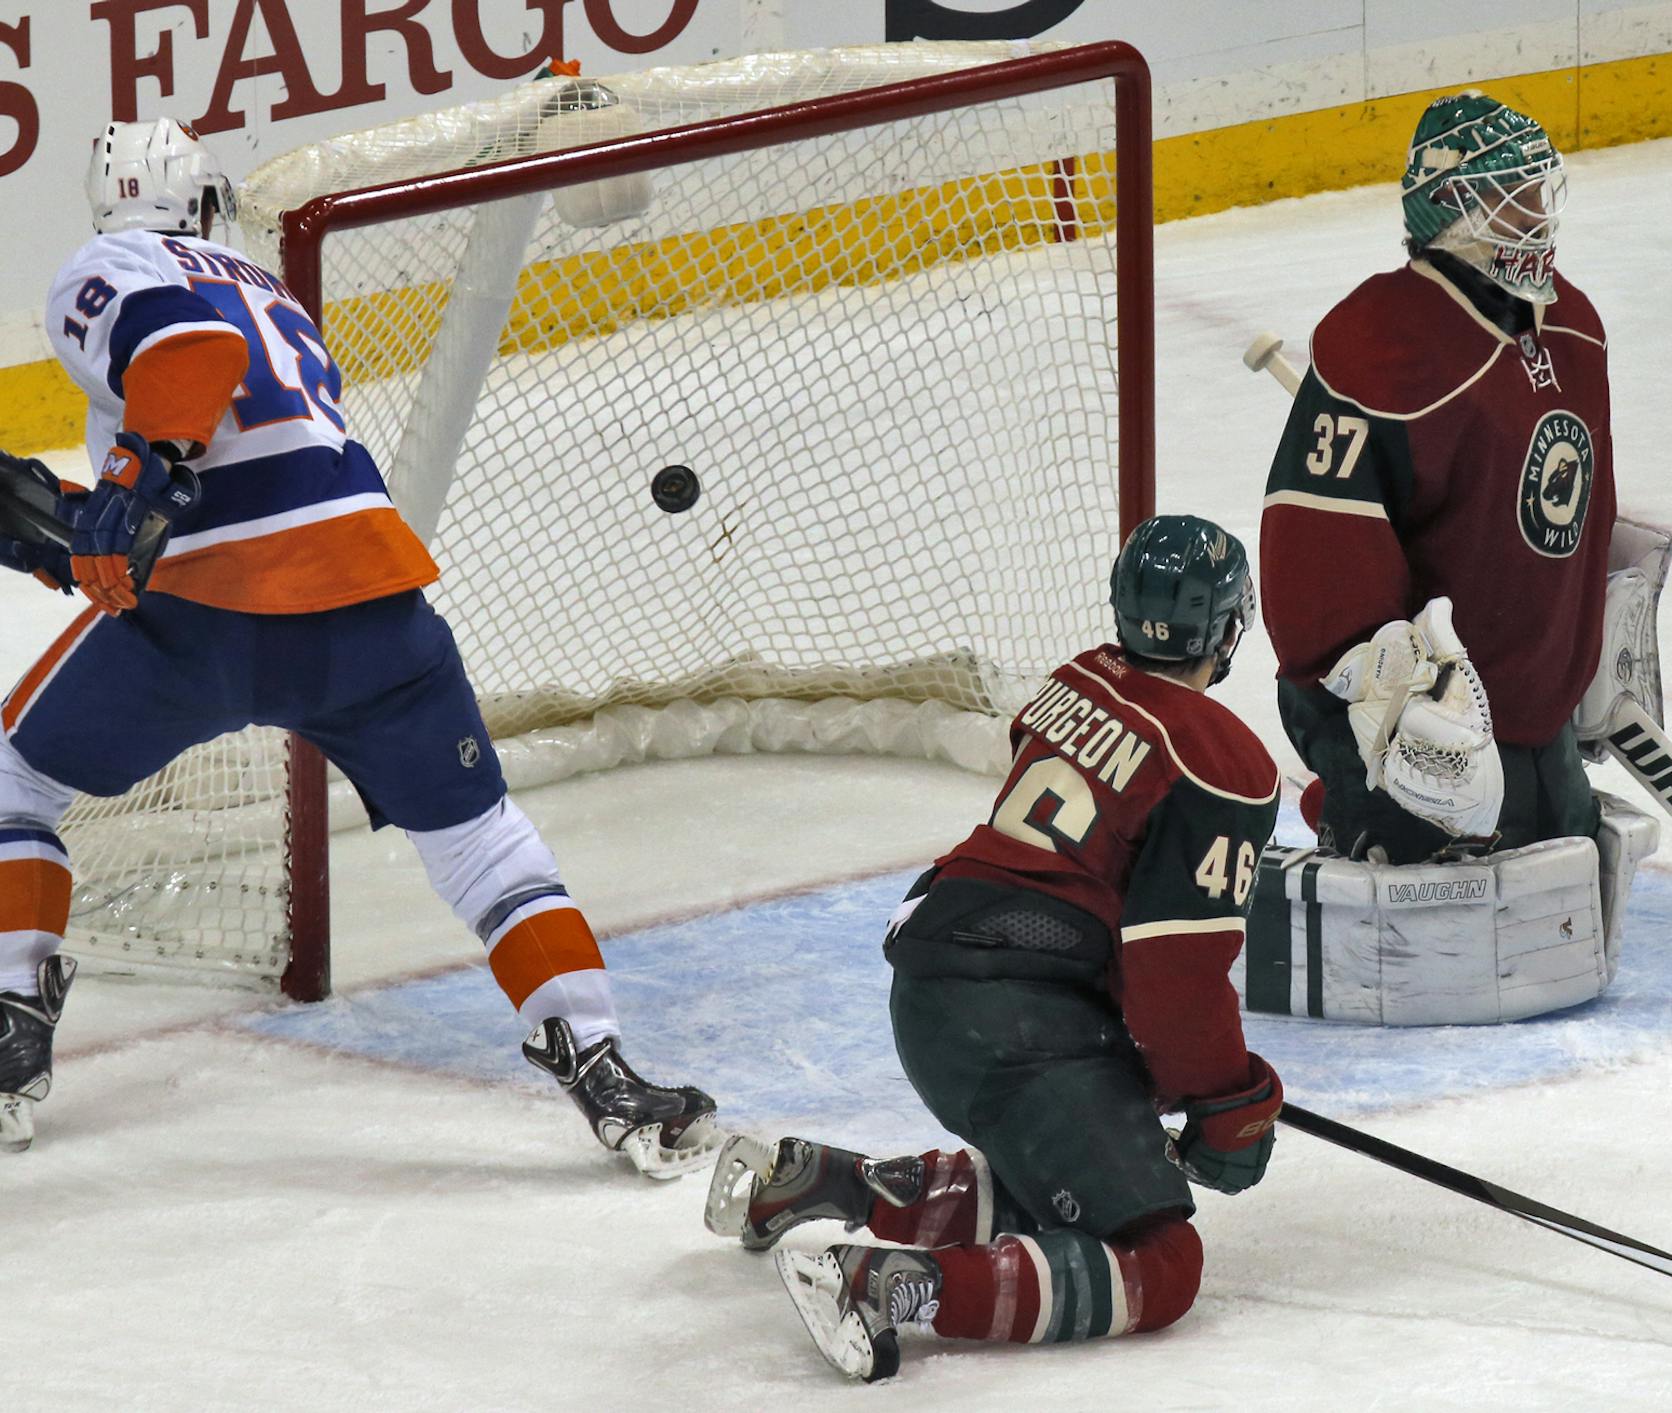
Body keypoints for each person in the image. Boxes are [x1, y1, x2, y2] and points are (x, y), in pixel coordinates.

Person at [0, 118, 715, 1176]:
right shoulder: (268, 286)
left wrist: (129, 482)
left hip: (210, 618)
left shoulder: (112, 263)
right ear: (210, 202)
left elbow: (191, 357)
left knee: (17, 778)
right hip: (376, 606)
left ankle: (14, 1021)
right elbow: (253, 427)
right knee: (484, 843)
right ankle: (606, 1069)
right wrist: (91, 510)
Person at [706, 515, 1283, 1382]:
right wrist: (1228, 1097)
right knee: (1160, 1259)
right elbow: (1175, 979)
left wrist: (1173, 1083)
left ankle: (830, 1183)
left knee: (1065, 1185)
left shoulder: (1075, 680)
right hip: (1018, 1012)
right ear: (1229, 629)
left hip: (937, 975)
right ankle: (886, 1285)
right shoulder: (1220, 764)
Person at [1260, 91, 1617, 865]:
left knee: (1569, 867)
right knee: (1427, 902)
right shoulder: (1379, 343)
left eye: (1537, 192)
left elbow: (1581, 512)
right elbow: (1314, 556)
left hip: (1531, 707)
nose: (1536, 214)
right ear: (1452, 206)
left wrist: (1593, 637)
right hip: (1422, 720)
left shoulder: (1577, 327)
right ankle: (1353, 806)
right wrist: (1381, 707)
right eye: (1512, 196)